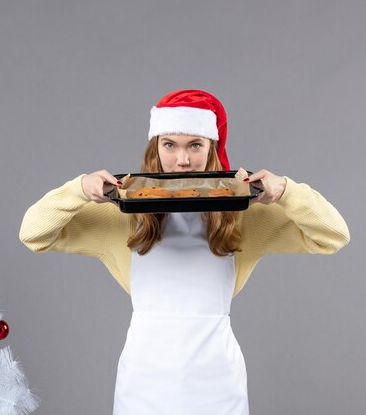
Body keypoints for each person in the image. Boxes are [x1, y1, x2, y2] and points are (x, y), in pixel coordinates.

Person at [19, 89, 350, 415]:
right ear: (155, 148)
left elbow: (333, 236)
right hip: (144, 383)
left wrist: (287, 192)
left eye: (195, 145)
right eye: (170, 145)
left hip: (218, 384)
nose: (182, 159)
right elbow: (34, 233)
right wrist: (77, 190)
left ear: (211, 149)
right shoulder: (122, 217)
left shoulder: (242, 217)